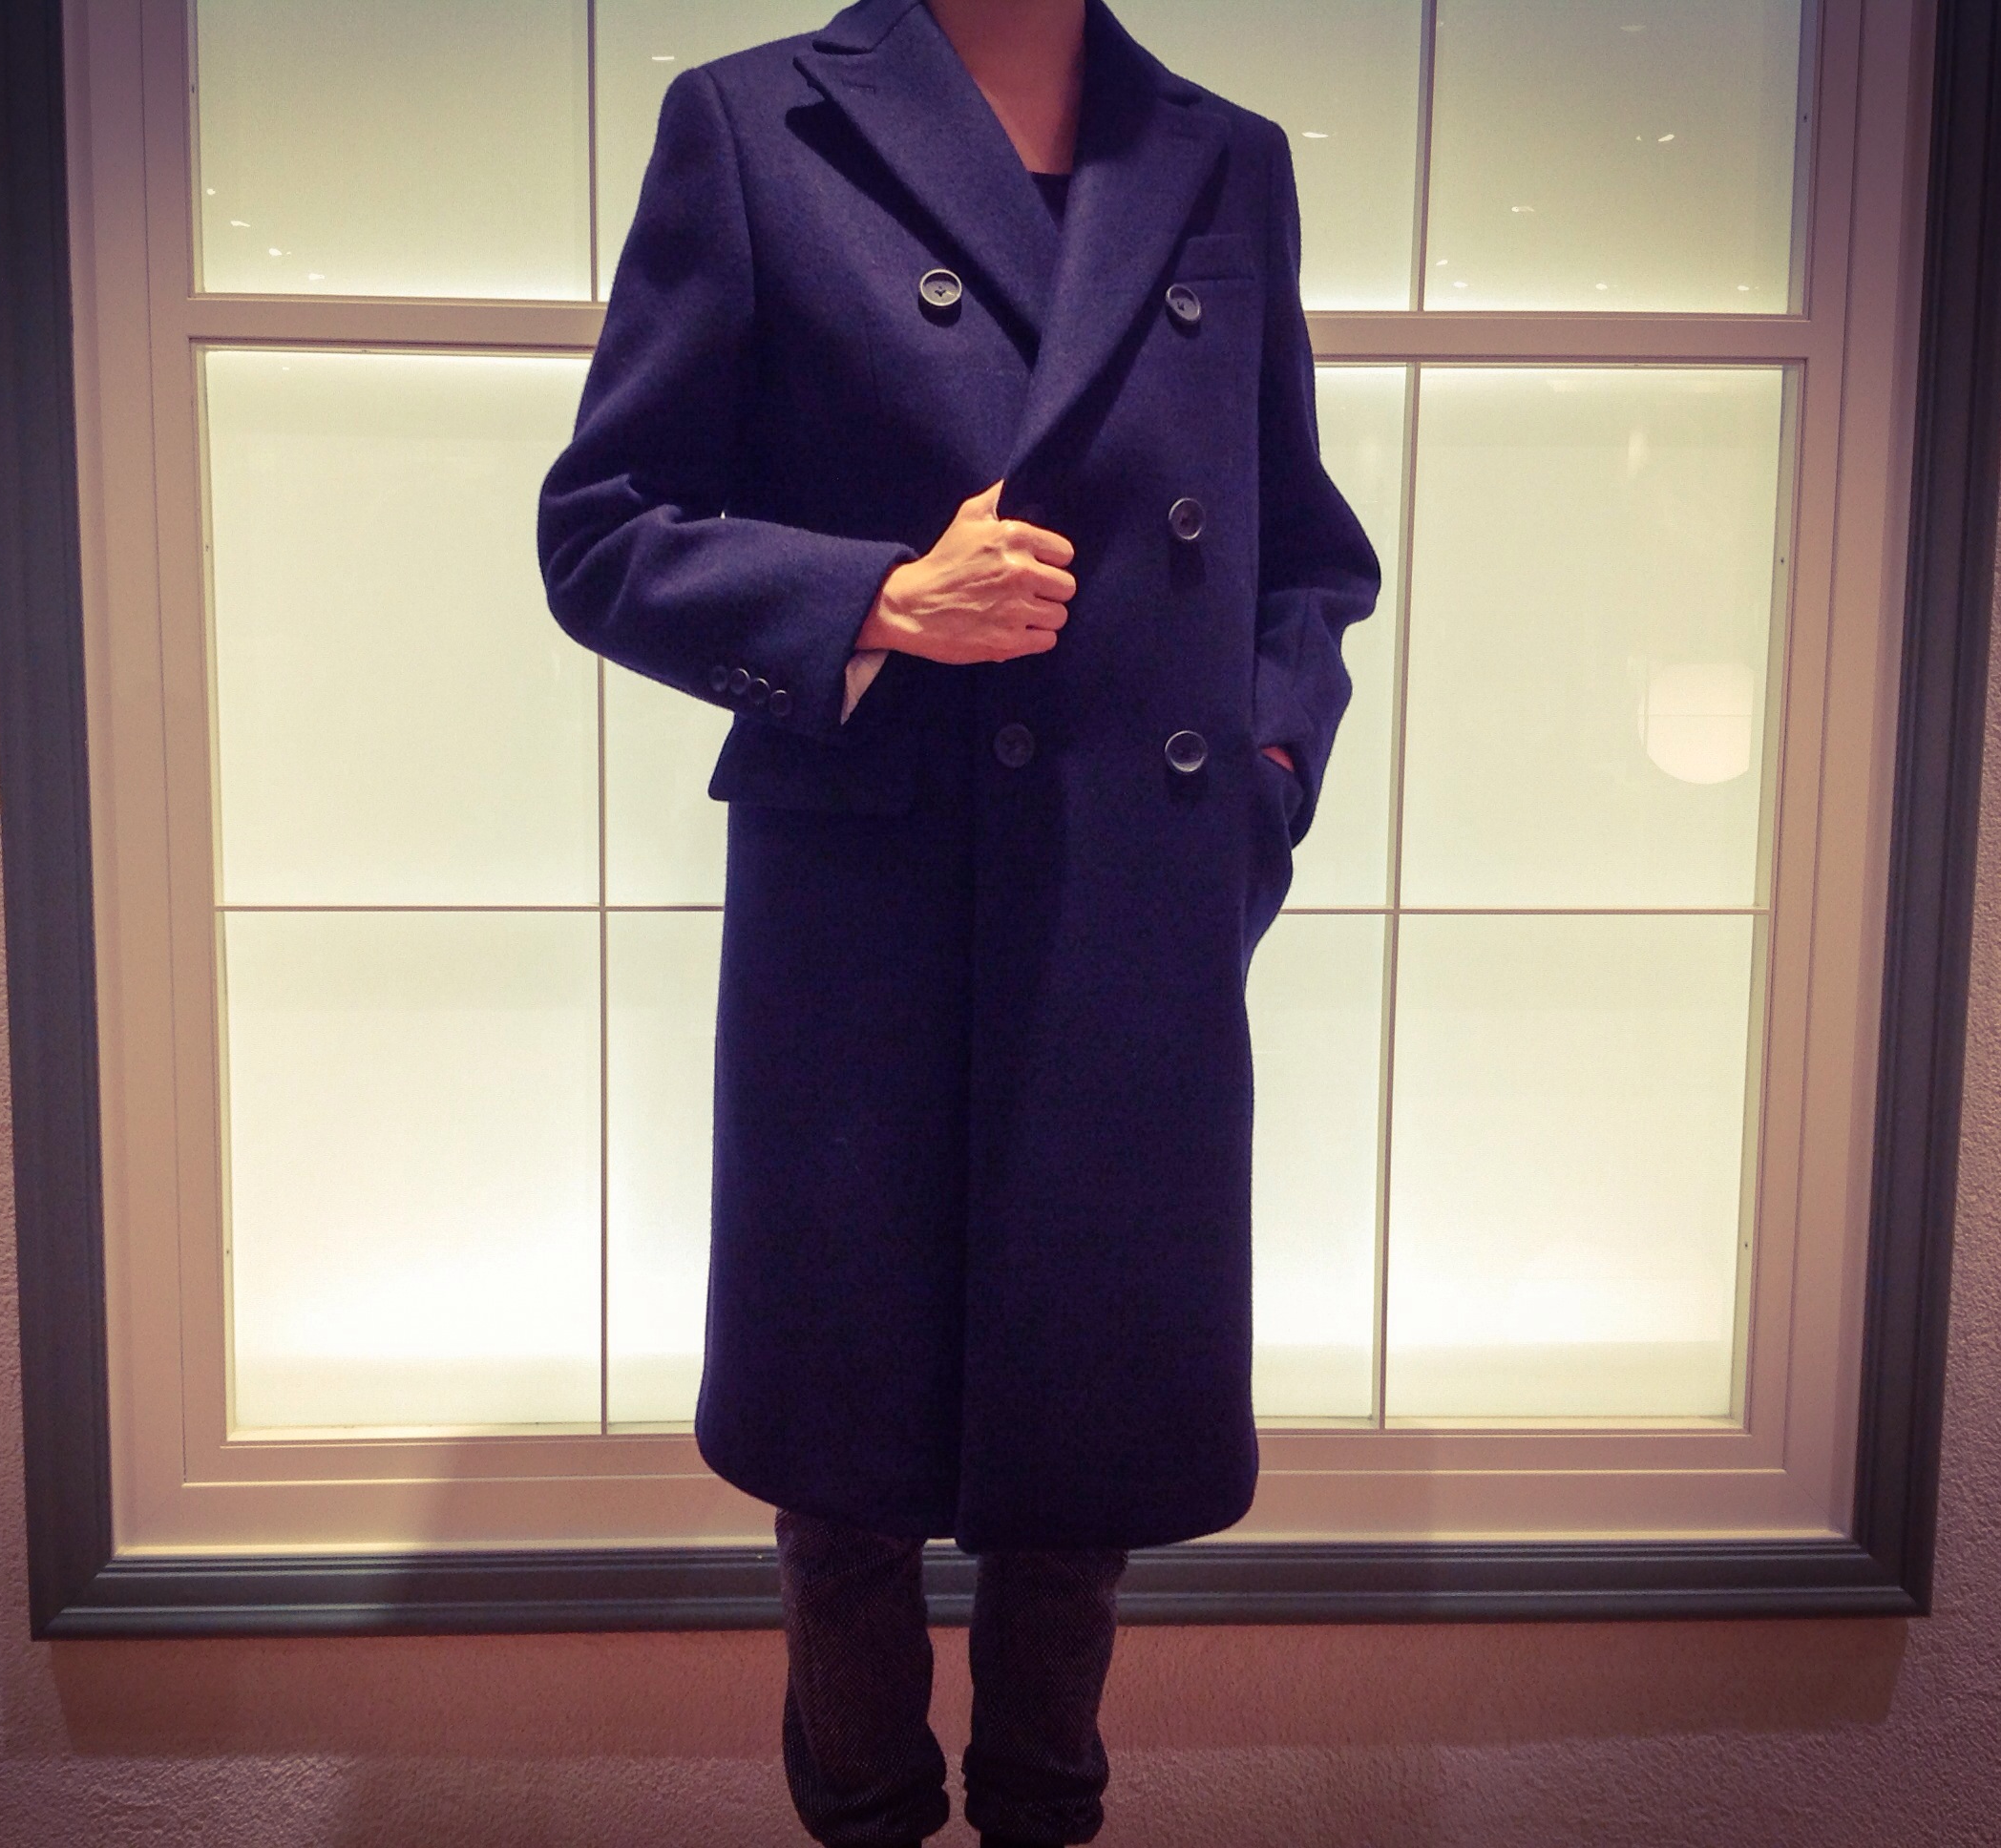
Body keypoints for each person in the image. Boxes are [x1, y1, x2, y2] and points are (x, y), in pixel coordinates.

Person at [537, 0, 1380, 1839]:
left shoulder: (1221, 157)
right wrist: (878, 600)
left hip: (1131, 900)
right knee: (843, 1464)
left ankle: (1044, 1809)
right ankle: (861, 1807)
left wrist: (1259, 775)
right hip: (867, 917)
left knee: (1082, 1455)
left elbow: (1306, 557)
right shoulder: (755, 126)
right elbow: (601, 530)